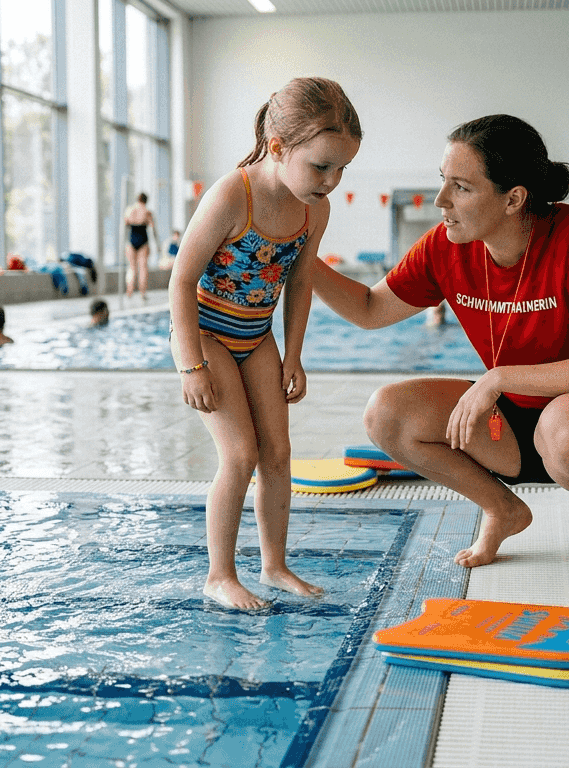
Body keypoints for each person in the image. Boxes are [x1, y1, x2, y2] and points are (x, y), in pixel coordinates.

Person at [310, 114, 569, 588]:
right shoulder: (446, 246)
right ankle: (502, 508)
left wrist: (498, 378)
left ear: (513, 198)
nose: (440, 200)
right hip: (520, 426)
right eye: (443, 181)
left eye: (460, 187)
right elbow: (370, 309)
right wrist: (303, 258)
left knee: (564, 422)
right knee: (387, 413)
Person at [168, 76, 362, 610]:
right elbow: (181, 281)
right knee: (240, 454)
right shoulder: (233, 195)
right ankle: (219, 575)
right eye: (321, 166)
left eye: (342, 169)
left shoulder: (314, 208)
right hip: (206, 334)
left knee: (278, 452)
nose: (331, 181)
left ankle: (274, 565)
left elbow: (300, 281)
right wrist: (191, 365)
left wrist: (293, 354)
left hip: (257, 337)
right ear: (278, 148)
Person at [124, 192, 158, 301]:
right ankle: (142, 293)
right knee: (143, 268)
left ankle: (129, 291)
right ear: (146, 200)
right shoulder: (147, 212)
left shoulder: (130, 210)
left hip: (131, 239)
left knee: (132, 267)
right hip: (143, 240)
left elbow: (125, 224)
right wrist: (157, 244)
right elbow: (153, 228)